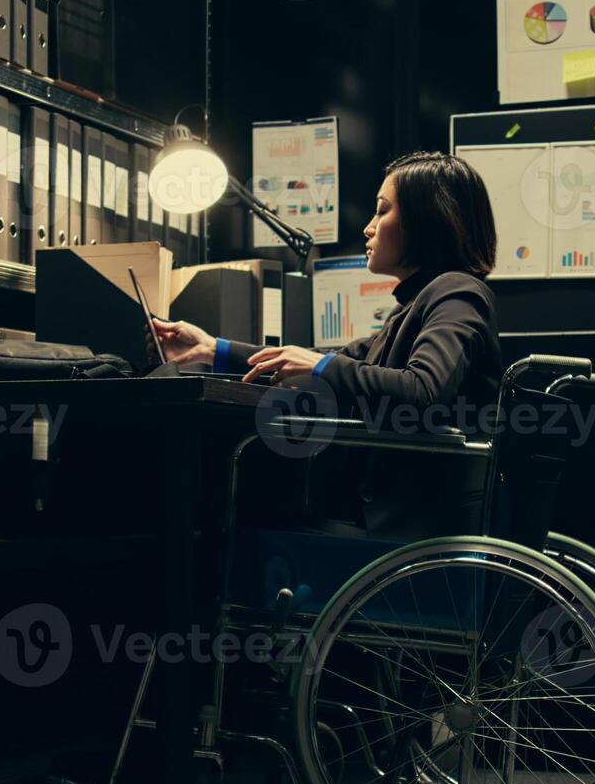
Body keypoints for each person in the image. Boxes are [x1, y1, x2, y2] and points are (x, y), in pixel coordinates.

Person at [154, 150, 503, 540]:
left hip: (414, 524)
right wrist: (211, 349)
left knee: (243, 521)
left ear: (426, 221)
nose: (368, 228)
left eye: (382, 211)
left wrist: (319, 368)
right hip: (396, 512)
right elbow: (338, 360)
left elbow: (424, 389)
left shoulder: (457, 293)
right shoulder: (415, 307)